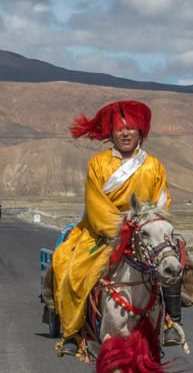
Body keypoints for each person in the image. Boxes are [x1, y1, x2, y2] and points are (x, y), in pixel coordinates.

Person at [46, 100, 176, 359]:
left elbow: (162, 200)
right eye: (119, 129)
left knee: (174, 261)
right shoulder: (98, 164)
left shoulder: (154, 166)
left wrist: (146, 224)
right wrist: (120, 227)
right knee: (70, 267)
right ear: (111, 133)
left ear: (141, 132)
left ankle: (172, 322)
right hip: (103, 233)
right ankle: (73, 331)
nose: (125, 134)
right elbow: (96, 204)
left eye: (131, 129)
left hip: (145, 231)